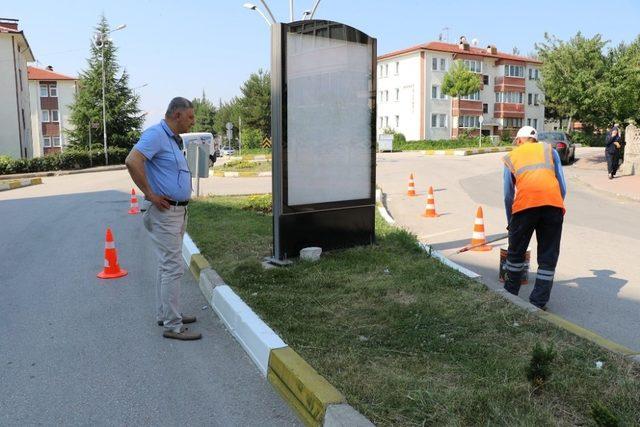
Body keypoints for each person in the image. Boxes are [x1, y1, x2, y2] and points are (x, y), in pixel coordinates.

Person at [125, 97, 201, 340]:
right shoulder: (157, 134)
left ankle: (166, 313)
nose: (193, 121)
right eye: (190, 116)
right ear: (176, 115)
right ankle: (173, 325)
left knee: (166, 265)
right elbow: (132, 160)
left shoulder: (171, 139)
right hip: (165, 213)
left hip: (177, 211)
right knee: (172, 267)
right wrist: (150, 194)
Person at [502, 126, 567, 310]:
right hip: (553, 207)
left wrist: (511, 221)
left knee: (516, 254)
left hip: (524, 208)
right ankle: (538, 303)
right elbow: (562, 186)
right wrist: (556, 206)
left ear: (519, 140)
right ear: (535, 140)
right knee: (548, 257)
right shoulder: (550, 151)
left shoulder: (512, 156)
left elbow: (508, 194)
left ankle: (510, 296)